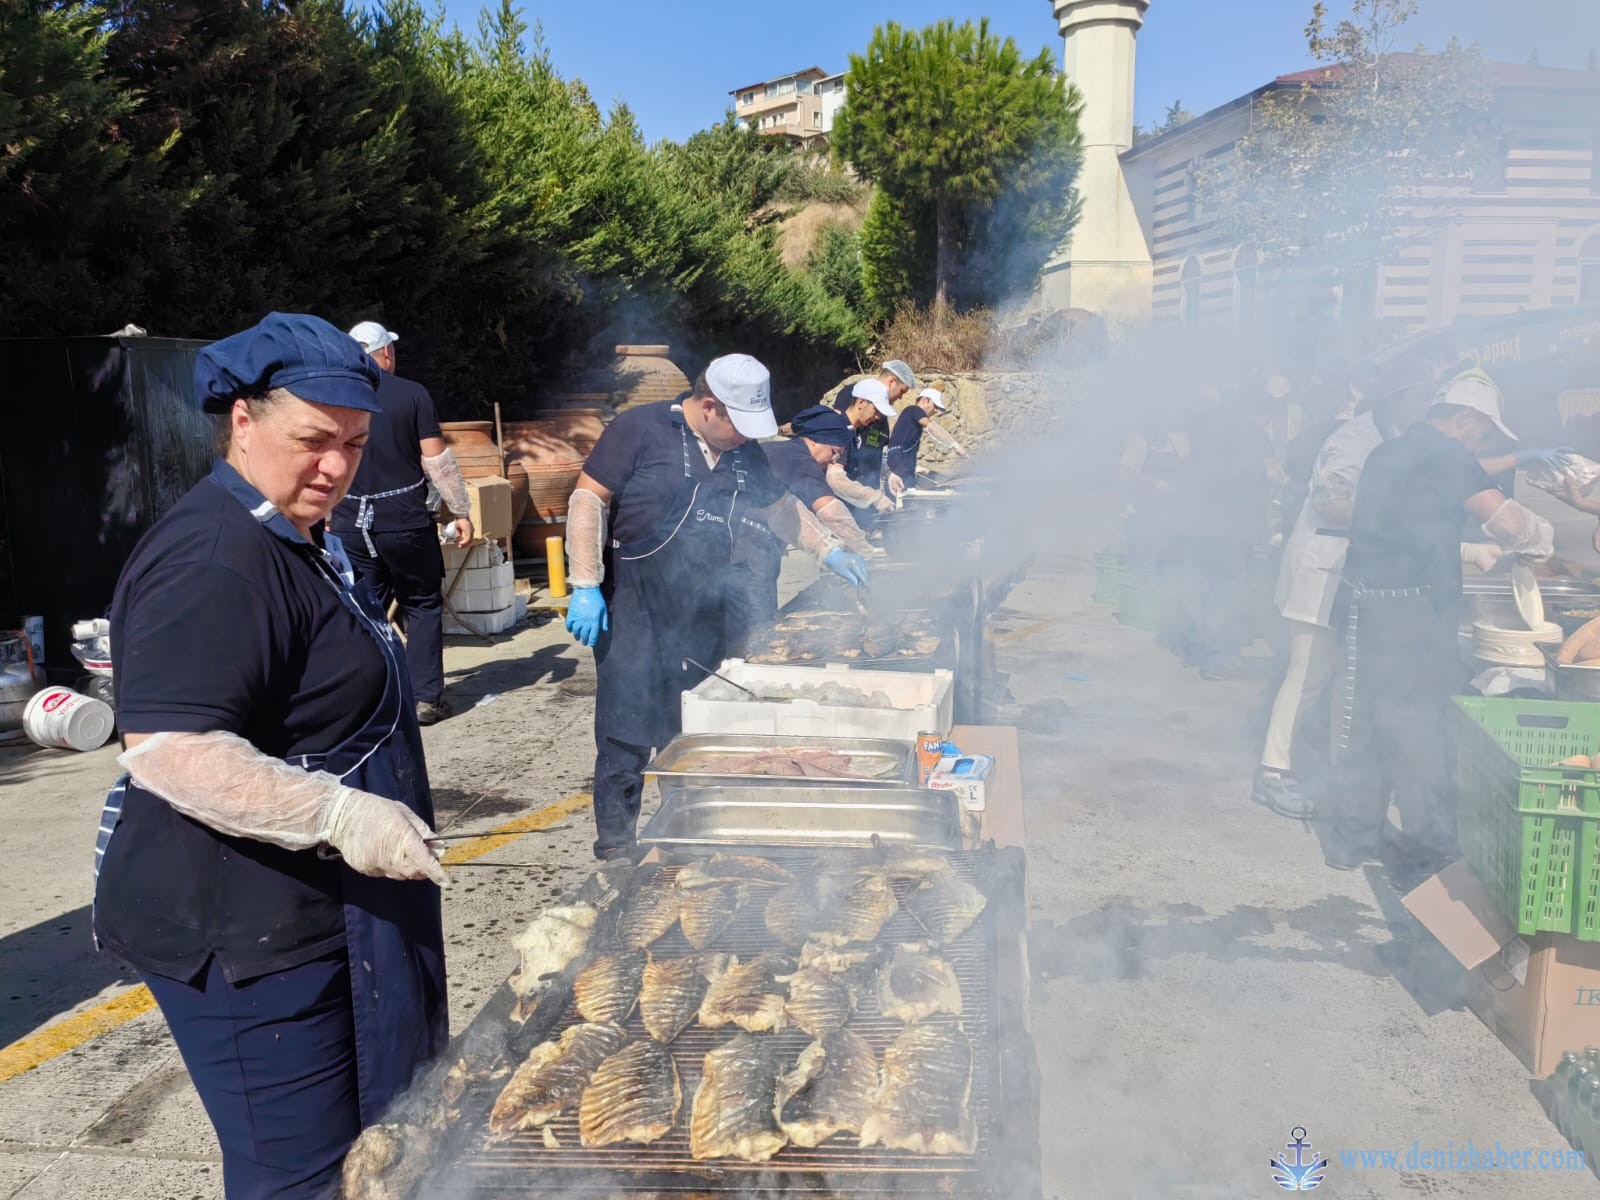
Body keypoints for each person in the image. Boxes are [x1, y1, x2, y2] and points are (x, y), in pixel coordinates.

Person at [96, 313, 450, 1199]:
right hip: (247, 930)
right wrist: (338, 813)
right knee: (301, 1176)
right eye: (313, 440)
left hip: (318, 906)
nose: (335, 466)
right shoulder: (215, 554)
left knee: (368, 1155)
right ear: (242, 422)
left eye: (356, 444)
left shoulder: (293, 529)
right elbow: (170, 748)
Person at [562, 355, 870, 860]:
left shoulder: (744, 454)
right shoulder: (638, 430)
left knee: (697, 737)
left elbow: (782, 511)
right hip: (634, 615)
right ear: (710, 406)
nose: (746, 438)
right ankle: (616, 855)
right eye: (739, 426)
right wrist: (585, 583)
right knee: (627, 738)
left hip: (703, 617)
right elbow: (587, 500)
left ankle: (691, 844)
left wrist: (829, 548)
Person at [1325, 379, 1560, 874]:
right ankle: (1428, 850)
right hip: (1409, 614)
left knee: (1364, 720)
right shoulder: (1450, 456)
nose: (1481, 443)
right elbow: (1508, 522)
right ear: (1465, 420)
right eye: (1483, 432)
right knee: (1419, 728)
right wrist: (1542, 539)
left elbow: (1404, 526)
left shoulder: (1388, 452)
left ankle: (1351, 838)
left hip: (1364, 605)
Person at [1253, 362, 1440, 818]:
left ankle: (1343, 772)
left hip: (1351, 571)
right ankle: (1272, 772)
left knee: (1345, 676)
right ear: (1398, 395)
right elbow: (1329, 503)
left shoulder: (1397, 438)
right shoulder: (1354, 440)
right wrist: (1399, 519)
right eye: (1422, 396)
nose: (1428, 406)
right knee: (1310, 672)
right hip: (1321, 567)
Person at [330, 320, 474, 726]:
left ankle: (374, 697)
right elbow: (437, 461)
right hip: (404, 521)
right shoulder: (412, 394)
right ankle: (424, 698)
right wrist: (461, 511)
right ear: (386, 353)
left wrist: (323, 515)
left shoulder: (335, 396)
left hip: (348, 522)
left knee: (365, 608)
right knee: (423, 603)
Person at [725, 405, 876, 654]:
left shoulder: (779, 449)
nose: (834, 460)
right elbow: (831, 513)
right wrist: (866, 553)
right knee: (759, 629)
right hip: (751, 548)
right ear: (815, 441)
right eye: (834, 452)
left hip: (751, 543)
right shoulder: (800, 460)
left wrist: (832, 551)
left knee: (749, 620)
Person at [826, 375, 901, 518]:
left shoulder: (853, 436)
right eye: (876, 410)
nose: (878, 417)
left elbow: (875, 453)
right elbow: (834, 479)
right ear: (861, 402)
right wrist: (874, 498)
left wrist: (888, 473)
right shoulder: (839, 430)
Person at [884, 386, 969, 496]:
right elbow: (932, 428)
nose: (936, 410)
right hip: (899, 466)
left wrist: (915, 468)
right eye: (935, 406)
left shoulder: (912, 420)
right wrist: (954, 445)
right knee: (902, 500)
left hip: (903, 465)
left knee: (907, 499)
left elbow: (903, 445)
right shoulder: (914, 410)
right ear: (925, 401)